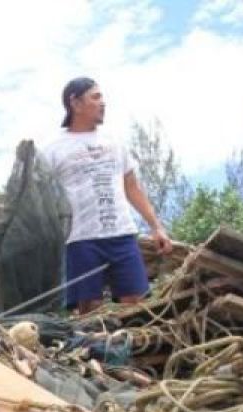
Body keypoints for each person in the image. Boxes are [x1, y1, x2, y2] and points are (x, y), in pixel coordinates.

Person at [41, 77, 173, 314]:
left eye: (102, 97)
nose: (103, 103)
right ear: (75, 103)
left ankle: (133, 350)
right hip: (80, 239)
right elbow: (43, 196)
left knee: (136, 305)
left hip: (121, 234)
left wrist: (156, 227)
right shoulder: (52, 149)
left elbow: (132, 187)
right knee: (89, 310)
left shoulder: (114, 142)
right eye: (96, 97)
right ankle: (94, 350)